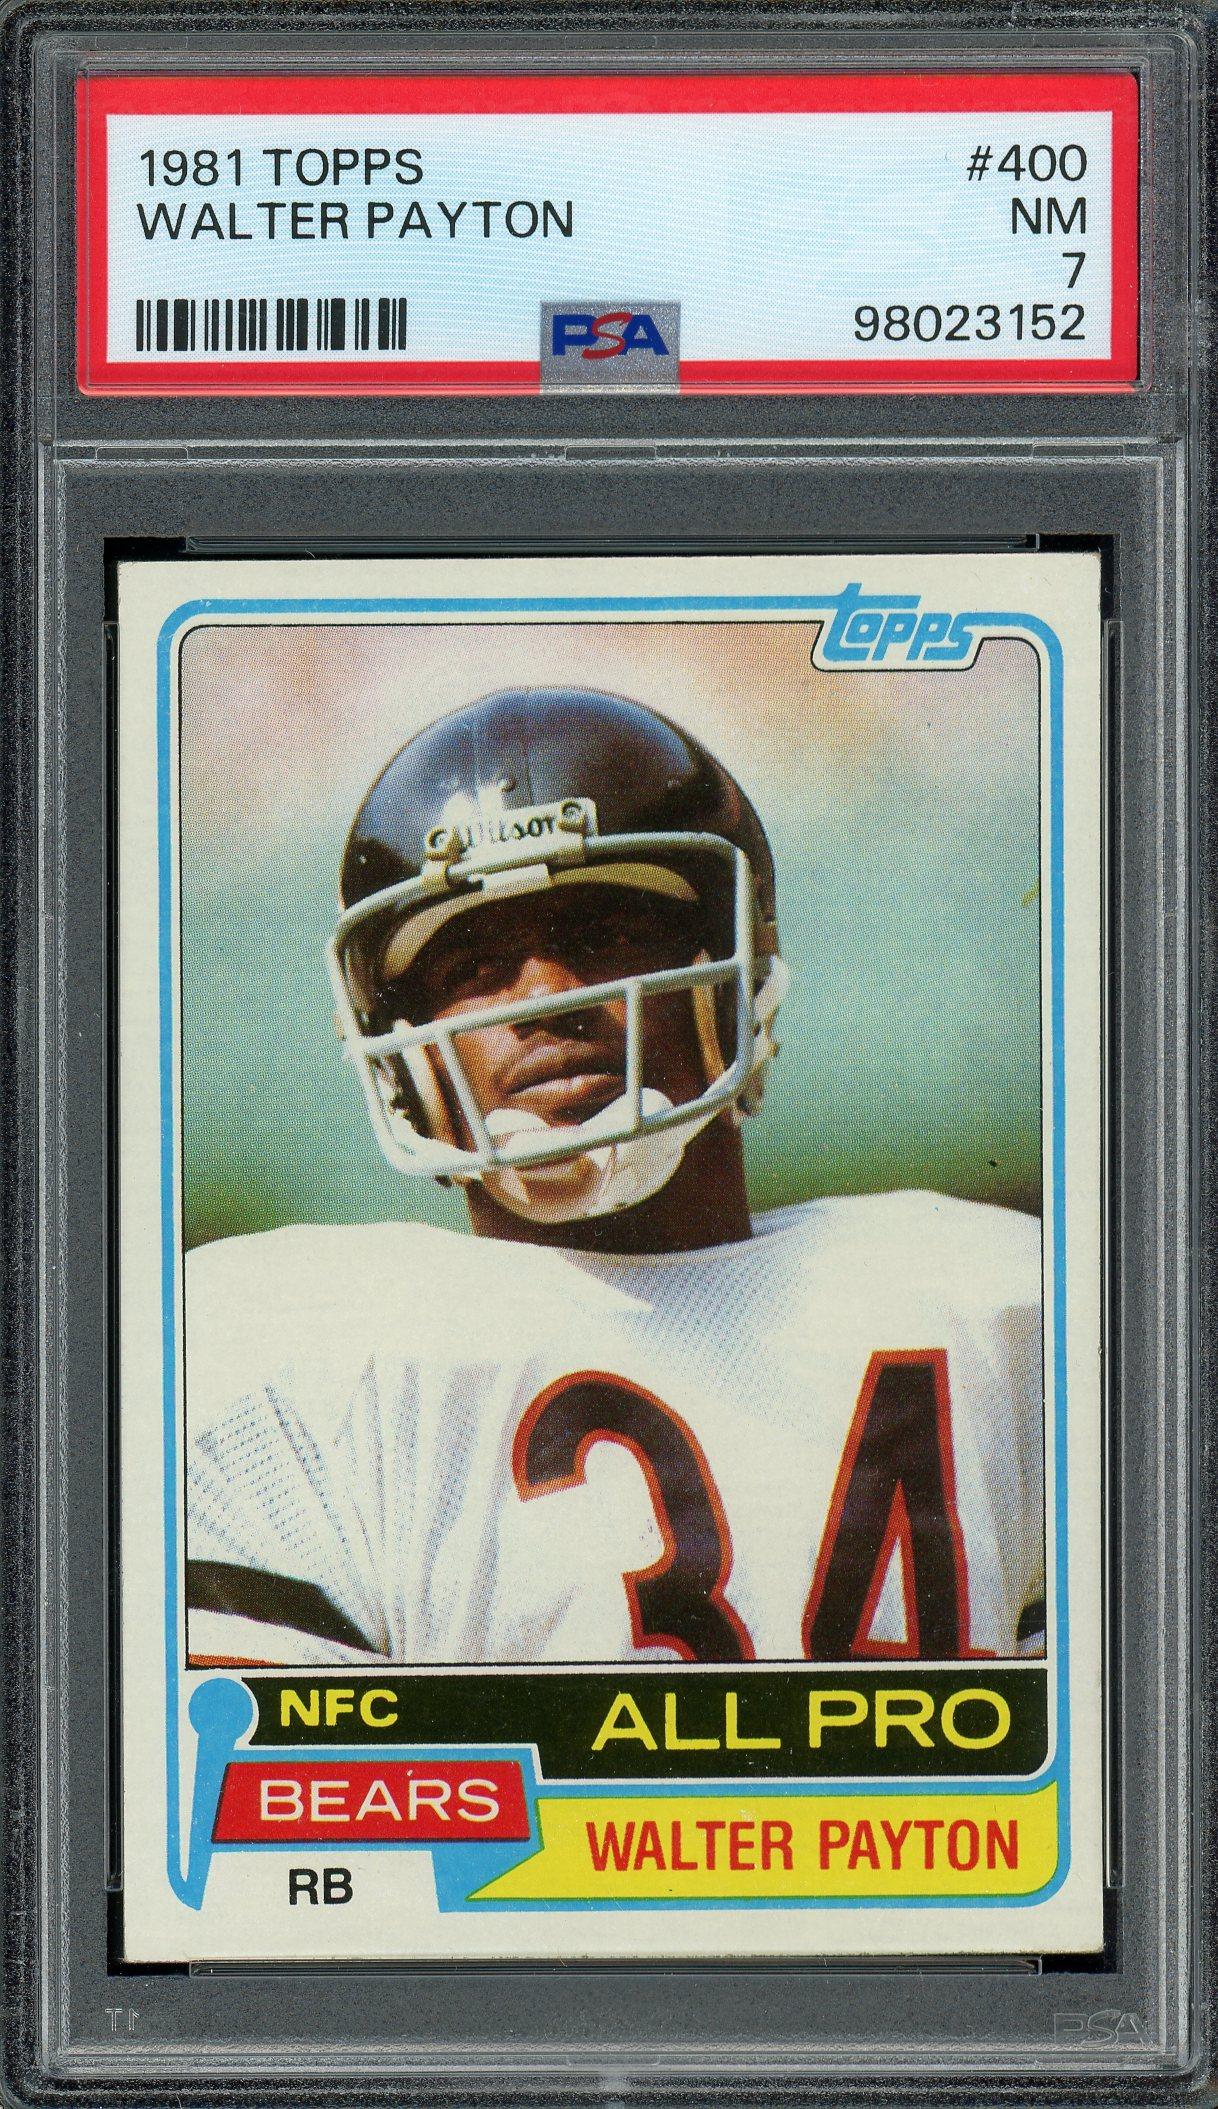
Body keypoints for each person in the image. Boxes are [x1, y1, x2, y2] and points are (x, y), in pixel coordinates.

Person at [185, 686, 1044, 1668]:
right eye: (472, 965)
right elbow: (264, 1763)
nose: (545, 999)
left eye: (604, 935)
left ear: (739, 976)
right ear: (401, 1055)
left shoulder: (1009, 1309)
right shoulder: (291, 1365)